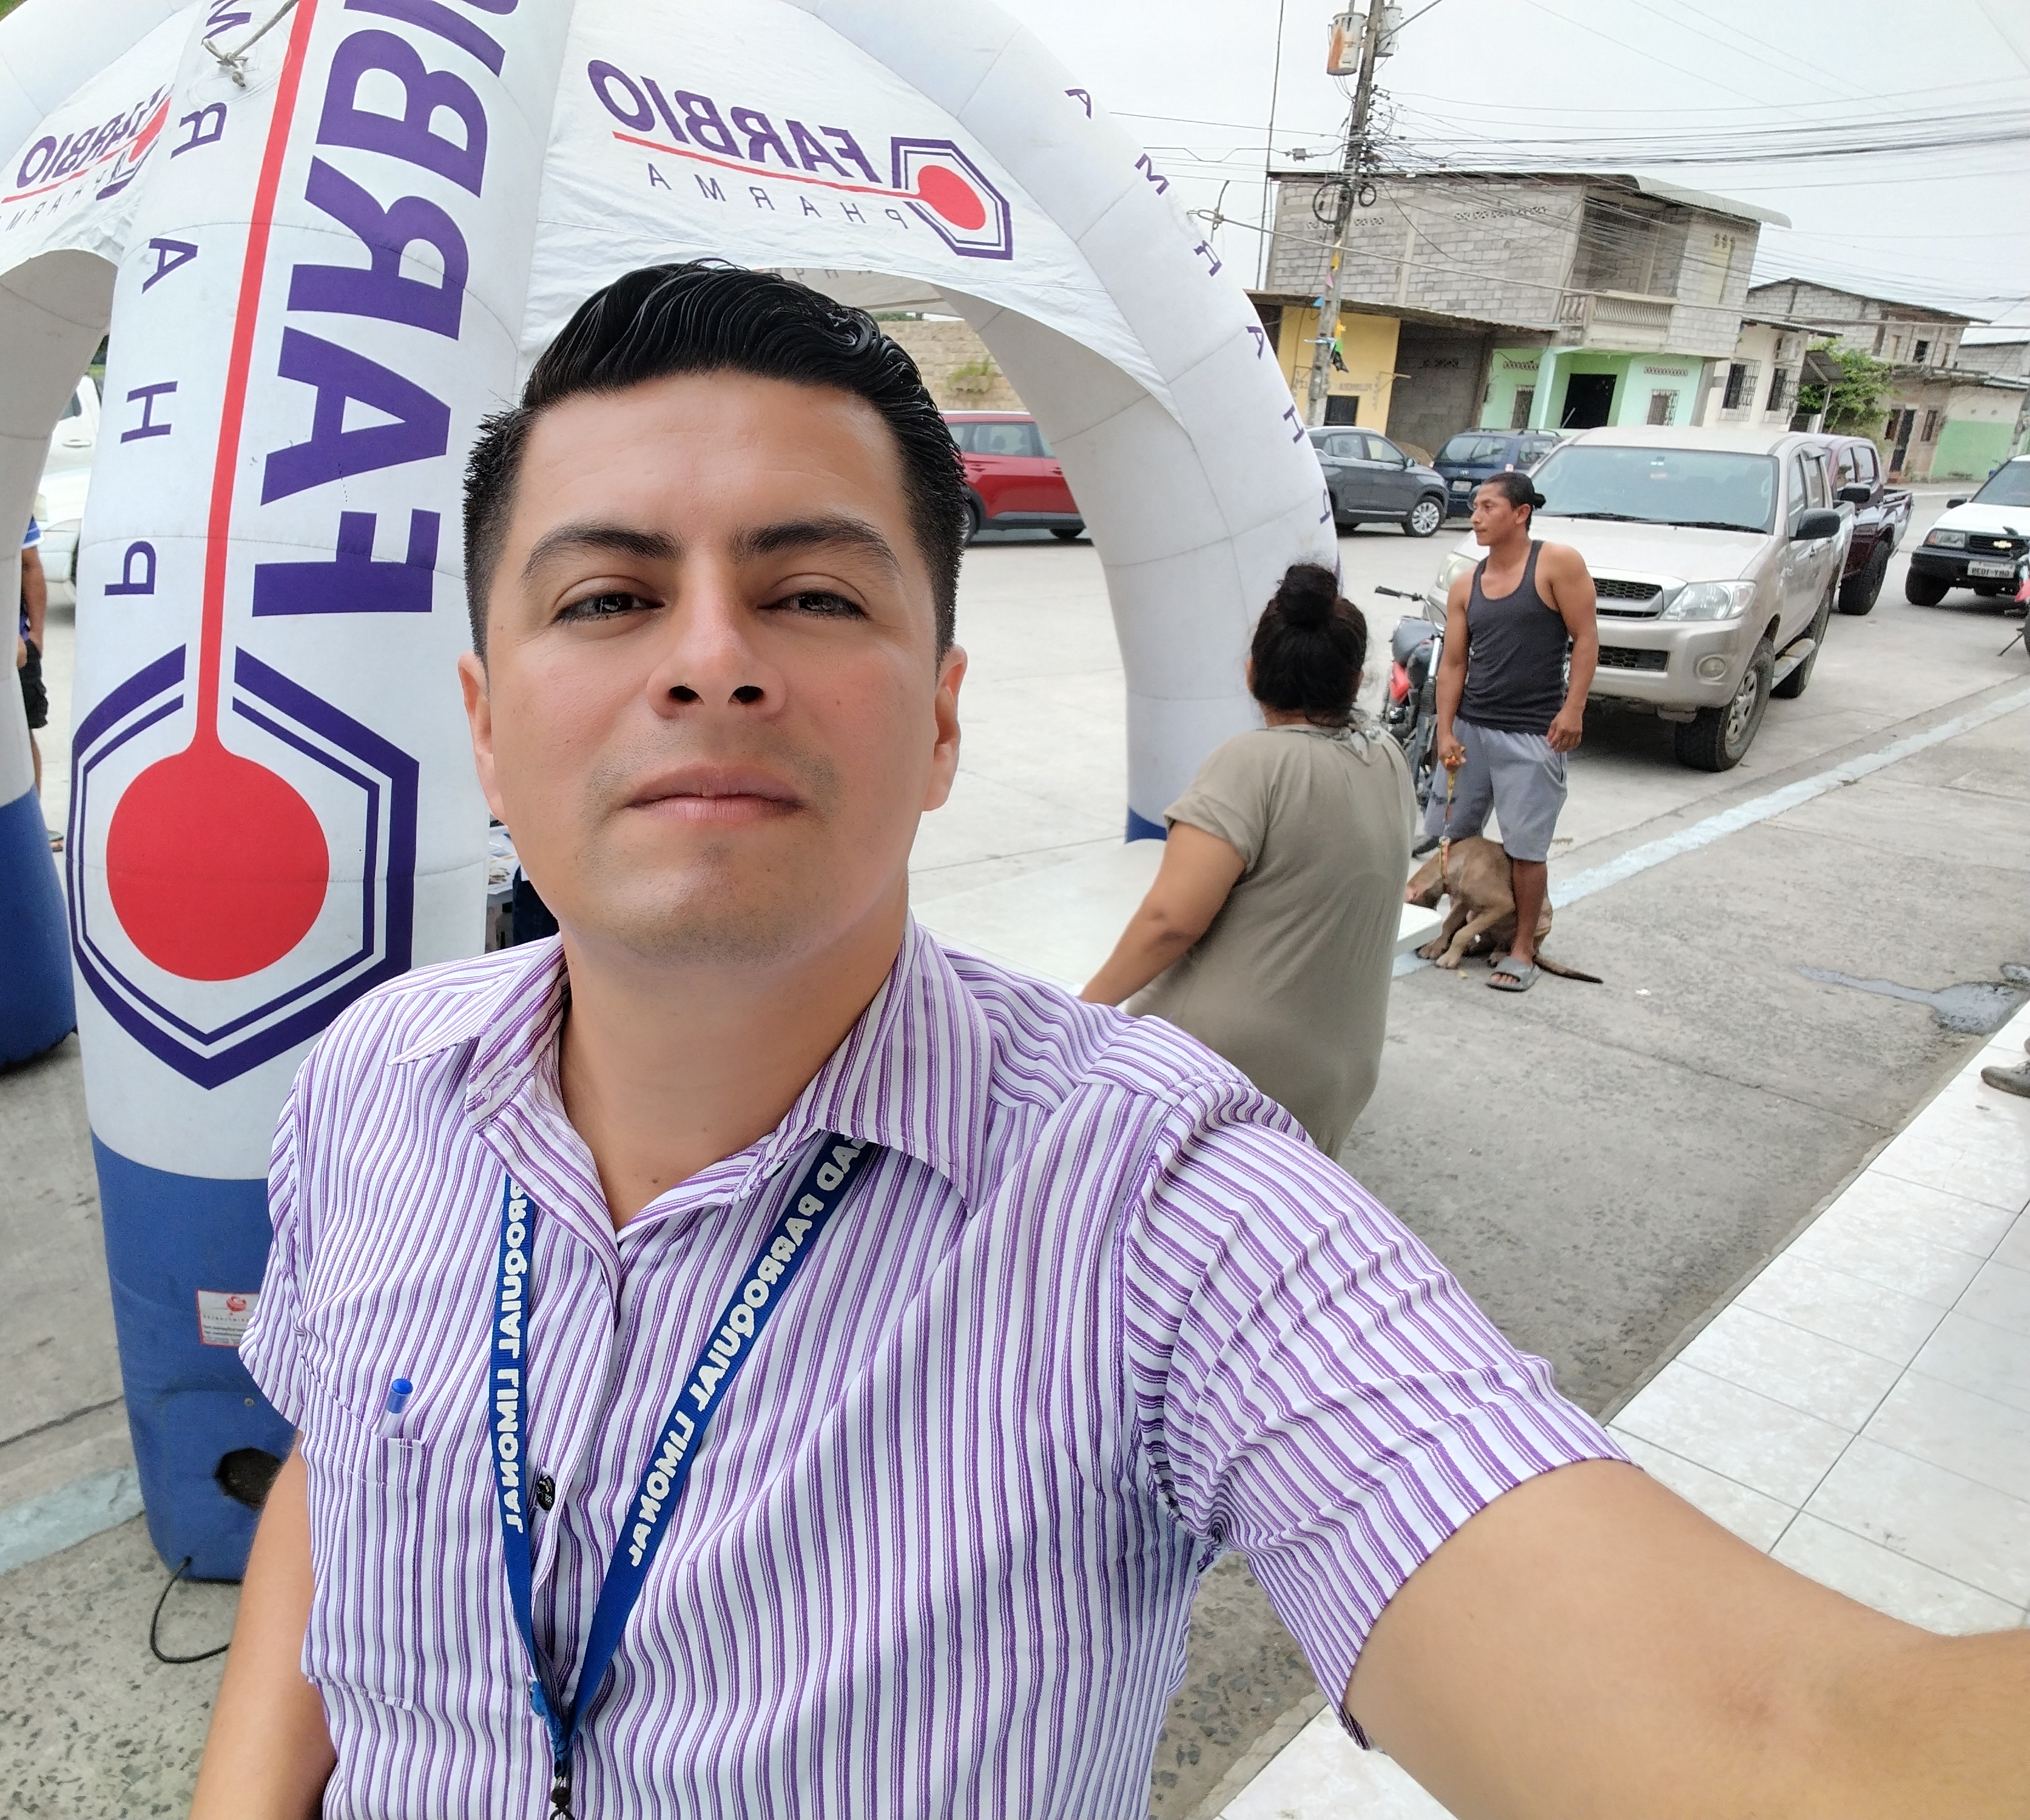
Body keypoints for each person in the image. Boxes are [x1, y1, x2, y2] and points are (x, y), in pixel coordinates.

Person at [193, 265, 2026, 1820]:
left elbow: (1777, 1740)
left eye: (811, 593)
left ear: (940, 722)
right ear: (485, 725)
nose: (706, 659)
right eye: (605, 598)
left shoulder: (1164, 1215)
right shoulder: (373, 1082)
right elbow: (340, 1487)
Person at [1081, 565, 1411, 1156]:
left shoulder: (1251, 764)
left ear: (1252, 672)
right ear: (1354, 680)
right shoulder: (1387, 755)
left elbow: (1170, 921)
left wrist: (1081, 1016)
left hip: (1222, 1077)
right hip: (1341, 1071)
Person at [1419, 470, 1597, 993]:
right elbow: (1454, 664)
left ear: (1521, 514)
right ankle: (1461, 930)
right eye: (1474, 507)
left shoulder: (1557, 564)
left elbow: (1586, 637)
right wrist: (1445, 732)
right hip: (1472, 730)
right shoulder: (1465, 584)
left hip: (1532, 733)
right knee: (1456, 841)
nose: (1475, 517)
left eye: (1488, 507)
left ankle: (1522, 948)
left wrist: (1574, 708)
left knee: (1525, 849)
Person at [15, 514, 49, 798]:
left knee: (22, 734)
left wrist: (36, 635)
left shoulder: (11, 502)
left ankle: (33, 815)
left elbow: (30, 565)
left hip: (16, 647)